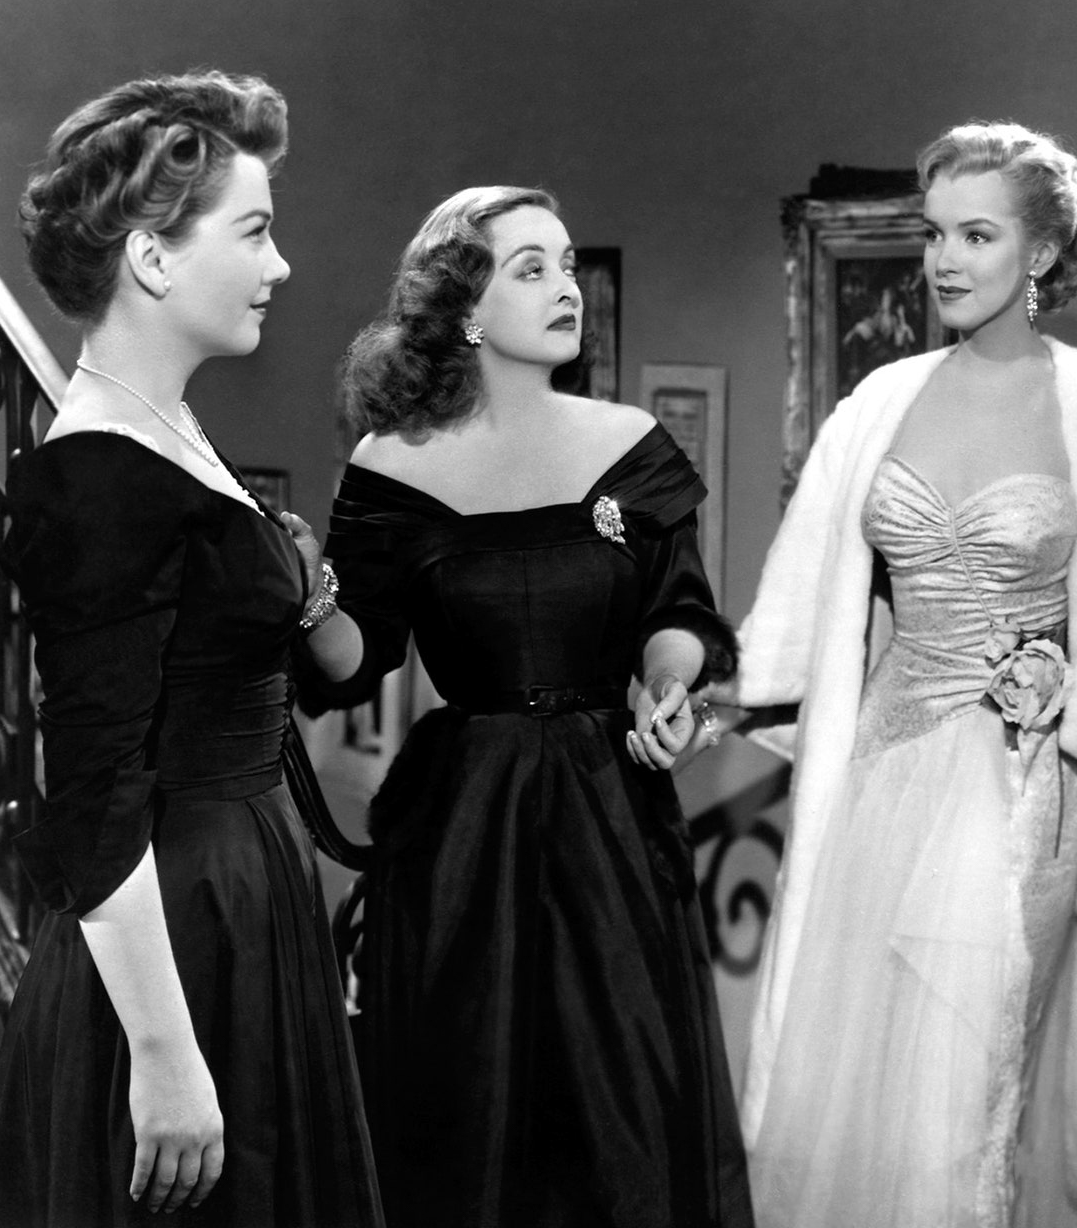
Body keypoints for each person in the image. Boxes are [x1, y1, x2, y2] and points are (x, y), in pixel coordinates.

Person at [719, 121, 1077, 1227]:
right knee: (863, 1097)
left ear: (1042, 251)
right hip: (879, 778)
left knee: (971, 1103)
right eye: (933, 234)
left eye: (976, 235)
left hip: (1021, 793)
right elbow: (802, 600)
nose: (943, 261)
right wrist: (708, 688)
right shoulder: (879, 401)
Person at [290, 185, 753, 1228]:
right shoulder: (391, 465)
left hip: (612, 820)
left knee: (627, 1113)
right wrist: (311, 595)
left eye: (568, 264)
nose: (565, 287)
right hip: (461, 835)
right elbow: (356, 658)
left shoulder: (631, 444)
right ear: (464, 308)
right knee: (465, 1119)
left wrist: (668, 684)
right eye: (529, 268)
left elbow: (680, 614)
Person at [0, 72, 384, 1225]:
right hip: (172, 929)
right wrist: (165, 1056)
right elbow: (96, 795)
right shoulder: (96, 473)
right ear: (152, 258)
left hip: (241, 892)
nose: (281, 265)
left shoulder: (170, 431)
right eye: (254, 231)